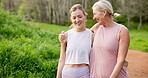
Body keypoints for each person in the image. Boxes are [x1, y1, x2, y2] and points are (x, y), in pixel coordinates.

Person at [89, 0, 130, 78]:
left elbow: (121, 60)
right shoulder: (96, 28)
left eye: (95, 14)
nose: (94, 18)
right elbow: (80, 36)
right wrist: (65, 36)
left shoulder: (122, 30)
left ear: (104, 12)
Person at [56, 4, 92, 78]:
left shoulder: (91, 35)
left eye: (80, 16)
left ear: (85, 16)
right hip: (67, 72)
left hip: (83, 73)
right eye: (74, 18)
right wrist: (58, 76)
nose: (77, 20)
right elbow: (62, 59)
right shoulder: (66, 35)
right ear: (71, 19)